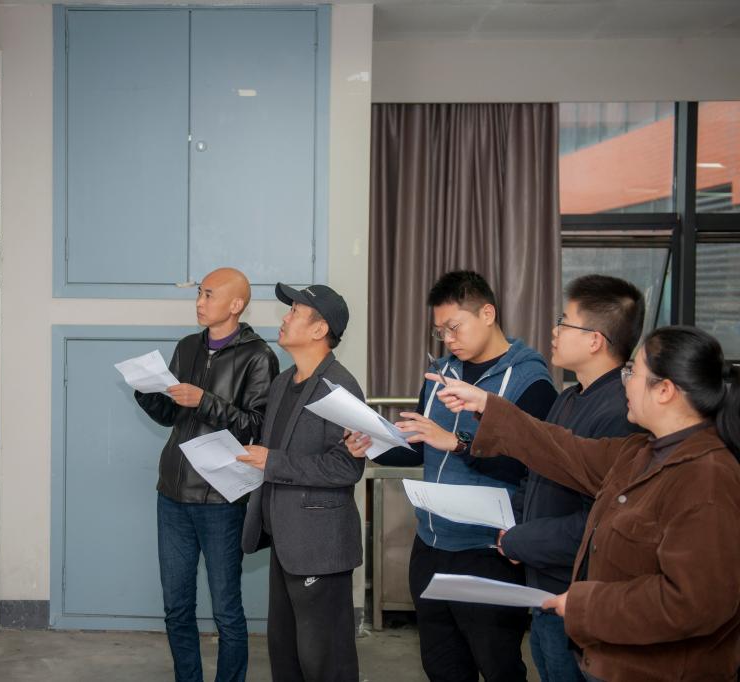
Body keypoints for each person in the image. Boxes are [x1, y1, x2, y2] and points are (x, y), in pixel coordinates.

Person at [427, 326, 740, 682]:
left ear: (665, 390)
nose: (625, 383)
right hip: (615, 659)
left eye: (632, 372)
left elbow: (695, 603)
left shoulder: (708, 477)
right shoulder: (640, 452)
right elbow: (563, 450)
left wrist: (585, 603)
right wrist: (487, 404)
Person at [347, 270, 556, 681]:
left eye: (454, 327)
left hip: (489, 550)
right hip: (431, 543)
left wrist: (458, 442)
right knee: (442, 665)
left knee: (498, 664)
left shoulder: (531, 382)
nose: (447, 339)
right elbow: (422, 446)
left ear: (487, 314)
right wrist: (372, 444)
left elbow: (532, 465)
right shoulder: (443, 373)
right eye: (440, 331)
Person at [496, 275, 645, 682]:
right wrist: (515, 529)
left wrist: (522, 540)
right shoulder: (567, 397)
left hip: (577, 591)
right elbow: (534, 473)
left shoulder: (621, 412)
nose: (554, 331)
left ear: (595, 340)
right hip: (543, 583)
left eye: (564, 321)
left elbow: (598, 521)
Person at [135, 267, 279, 682]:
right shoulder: (187, 347)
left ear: (236, 305)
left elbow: (257, 427)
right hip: (172, 494)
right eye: (199, 293)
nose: (199, 302)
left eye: (208, 295)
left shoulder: (259, 357)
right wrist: (147, 393)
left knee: (226, 610)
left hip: (222, 500)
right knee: (176, 607)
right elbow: (171, 416)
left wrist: (205, 401)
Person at [237, 283, 364, 682]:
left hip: (320, 546)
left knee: (324, 660)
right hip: (285, 539)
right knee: (286, 654)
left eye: (294, 312)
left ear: (319, 329)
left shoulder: (341, 387)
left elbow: (346, 468)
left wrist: (272, 461)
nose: (285, 318)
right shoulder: (282, 383)